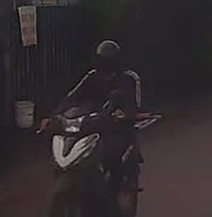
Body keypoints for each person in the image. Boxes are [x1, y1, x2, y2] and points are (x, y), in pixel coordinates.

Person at [45, 40, 144, 201]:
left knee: (112, 155)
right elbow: (72, 97)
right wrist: (55, 115)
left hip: (119, 126)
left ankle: (113, 200)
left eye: (108, 64)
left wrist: (125, 114)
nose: (104, 70)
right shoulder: (92, 76)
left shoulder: (130, 78)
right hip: (94, 122)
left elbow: (136, 105)